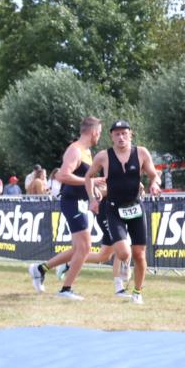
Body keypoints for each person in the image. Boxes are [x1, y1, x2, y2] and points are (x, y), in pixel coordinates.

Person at [85, 120, 162, 305]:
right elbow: (88, 177)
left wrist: (154, 184)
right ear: (111, 136)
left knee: (139, 254)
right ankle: (124, 271)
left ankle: (137, 292)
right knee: (123, 253)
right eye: (117, 134)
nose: (121, 137)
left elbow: (154, 174)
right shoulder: (103, 156)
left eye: (124, 133)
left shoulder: (141, 152)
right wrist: (92, 199)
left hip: (135, 208)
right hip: (114, 209)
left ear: (130, 134)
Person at [28, 116, 105, 300]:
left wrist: (94, 191)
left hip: (79, 202)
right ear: (94, 132)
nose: (99, 137)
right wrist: (92, 181)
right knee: (85, 248)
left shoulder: (86, 152)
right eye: (100, 133)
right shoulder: (75, 150)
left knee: (78, 248)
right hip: (71, 202)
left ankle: (40, 269)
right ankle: (66, 289)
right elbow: (63, 176)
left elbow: (84, 180)